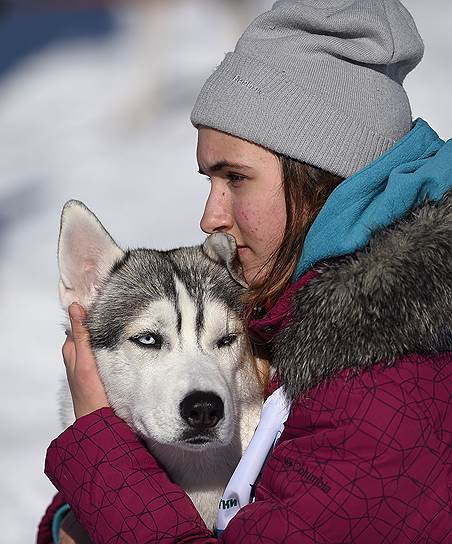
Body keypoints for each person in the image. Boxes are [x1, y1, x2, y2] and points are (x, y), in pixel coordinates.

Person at [38, 0, 452, 542]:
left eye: (236, 178)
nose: (209, 218)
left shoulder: (385, 382)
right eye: (209, 180)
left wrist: (98, 448)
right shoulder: (297, 316)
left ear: (317, 176)